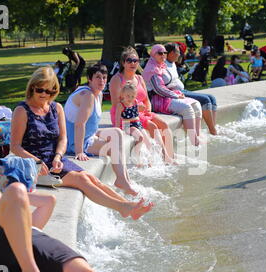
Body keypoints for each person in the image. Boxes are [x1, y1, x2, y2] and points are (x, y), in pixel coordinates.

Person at [11, 66, 152, 218]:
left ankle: (127, 205)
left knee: (91, 178)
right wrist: (37, 162)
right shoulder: (22, 110)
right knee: (81, 179)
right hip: (34, 164)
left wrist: (58, 156)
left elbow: (63, 138)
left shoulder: (56, 108)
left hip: (55, 159)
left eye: (50, 91)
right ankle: (124, 208)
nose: (45, 94)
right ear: (32, 87)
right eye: (40, 90)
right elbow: (15, 146)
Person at [109, 46, 175, 164]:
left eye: (136, 61)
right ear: (123, 63)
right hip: (126, 114)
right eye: (129, 60)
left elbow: (146, 99)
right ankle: (163, 157)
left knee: (164, 124)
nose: (133, 63)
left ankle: (170, 155)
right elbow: (116, 104)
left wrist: (148, 109)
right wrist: (135, 109)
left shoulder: (139, 78)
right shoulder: (117, 79)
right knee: (152, 126)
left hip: (141, 111)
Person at [143, 44, 203, 146]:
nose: (163, 55)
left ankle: (197, 136)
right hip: (157, 100)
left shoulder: (161, 65)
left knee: (196, 104)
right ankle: (194, 141)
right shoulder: (152, 69)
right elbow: (159, 89)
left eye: (164, 53)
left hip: (167, 96)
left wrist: (175, 93)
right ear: (153, 54)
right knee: (186, 108)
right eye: (160, 53)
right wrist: (175, 95)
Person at [165, 43, 218, 135]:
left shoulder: (172, 63)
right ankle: (213, 131)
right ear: (171, 53)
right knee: (205, 100)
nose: (180, 54)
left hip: (182, 90)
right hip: (176, 93)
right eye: (178, 52)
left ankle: (213, 126)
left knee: (212, 98)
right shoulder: (163, 64)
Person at [116, 83, 154, 165]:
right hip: (127, 125)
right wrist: (117, 130)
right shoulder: (121, 105)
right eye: (128, 96)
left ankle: (150, 160)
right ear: (122, 94)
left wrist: (143, 109)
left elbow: (137, 112)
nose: (130, 98)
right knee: (140, 138)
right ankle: (136, 158)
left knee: (148, 142)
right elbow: (117, 119)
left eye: (133, 96)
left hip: (138, 124)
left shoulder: (135, 102)